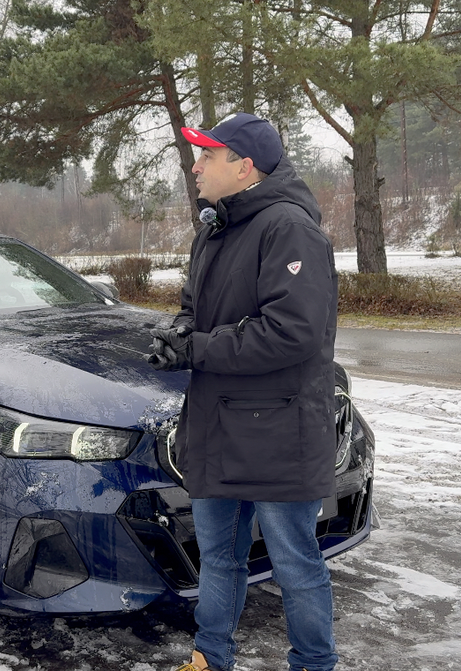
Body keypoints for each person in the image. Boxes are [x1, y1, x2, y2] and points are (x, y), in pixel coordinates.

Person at [147, 112, 340, 671]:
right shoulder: (215, 226)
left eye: (207, 155)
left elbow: (293, 331)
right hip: (219, 425)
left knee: (296, 565)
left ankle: (312, 664)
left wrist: (199, 349)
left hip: (279, 431)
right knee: (219, 559)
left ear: (244, 165)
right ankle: (210, 657)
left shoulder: (289, 228)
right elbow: (197, 306)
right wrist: (181, 332)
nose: (195, 164)